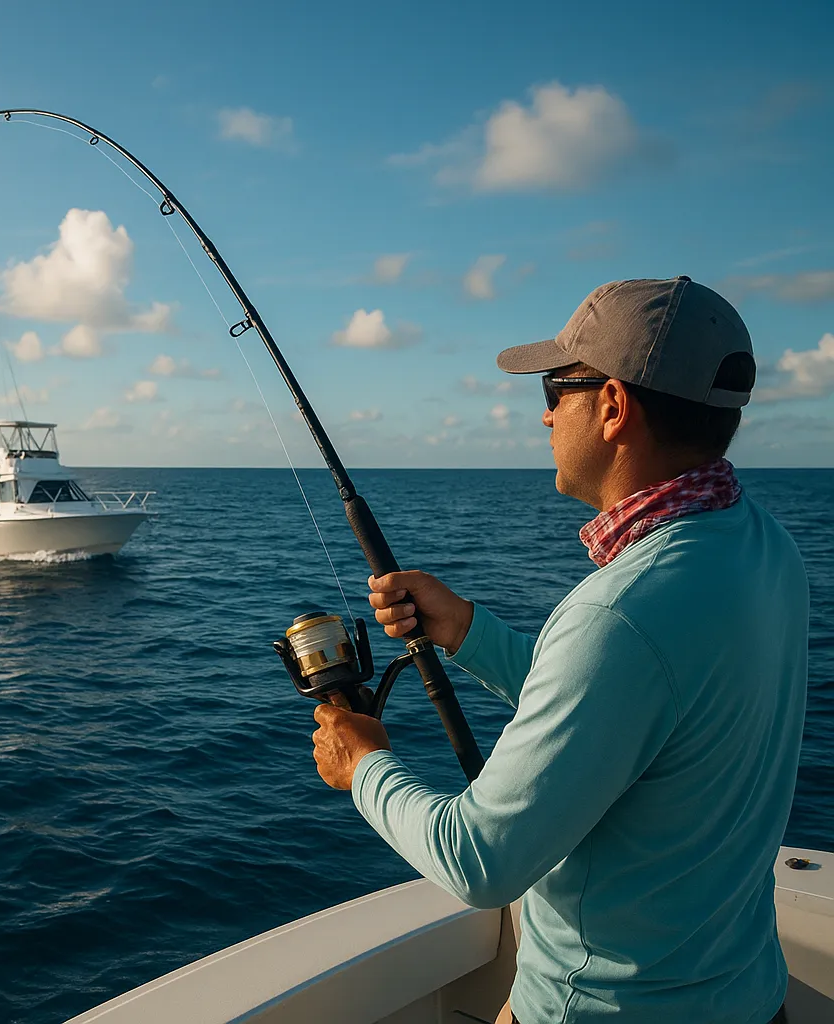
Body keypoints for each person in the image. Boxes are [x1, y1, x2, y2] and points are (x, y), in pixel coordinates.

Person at [311, 277, 807, 1024]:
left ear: (613, 407)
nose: (545, 414)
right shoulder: (765, 547)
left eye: (556, 387)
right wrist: (467, 631)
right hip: (747, 997)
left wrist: (364, 765)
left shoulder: (621, 614)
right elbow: (632, 707)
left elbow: (480, 859)